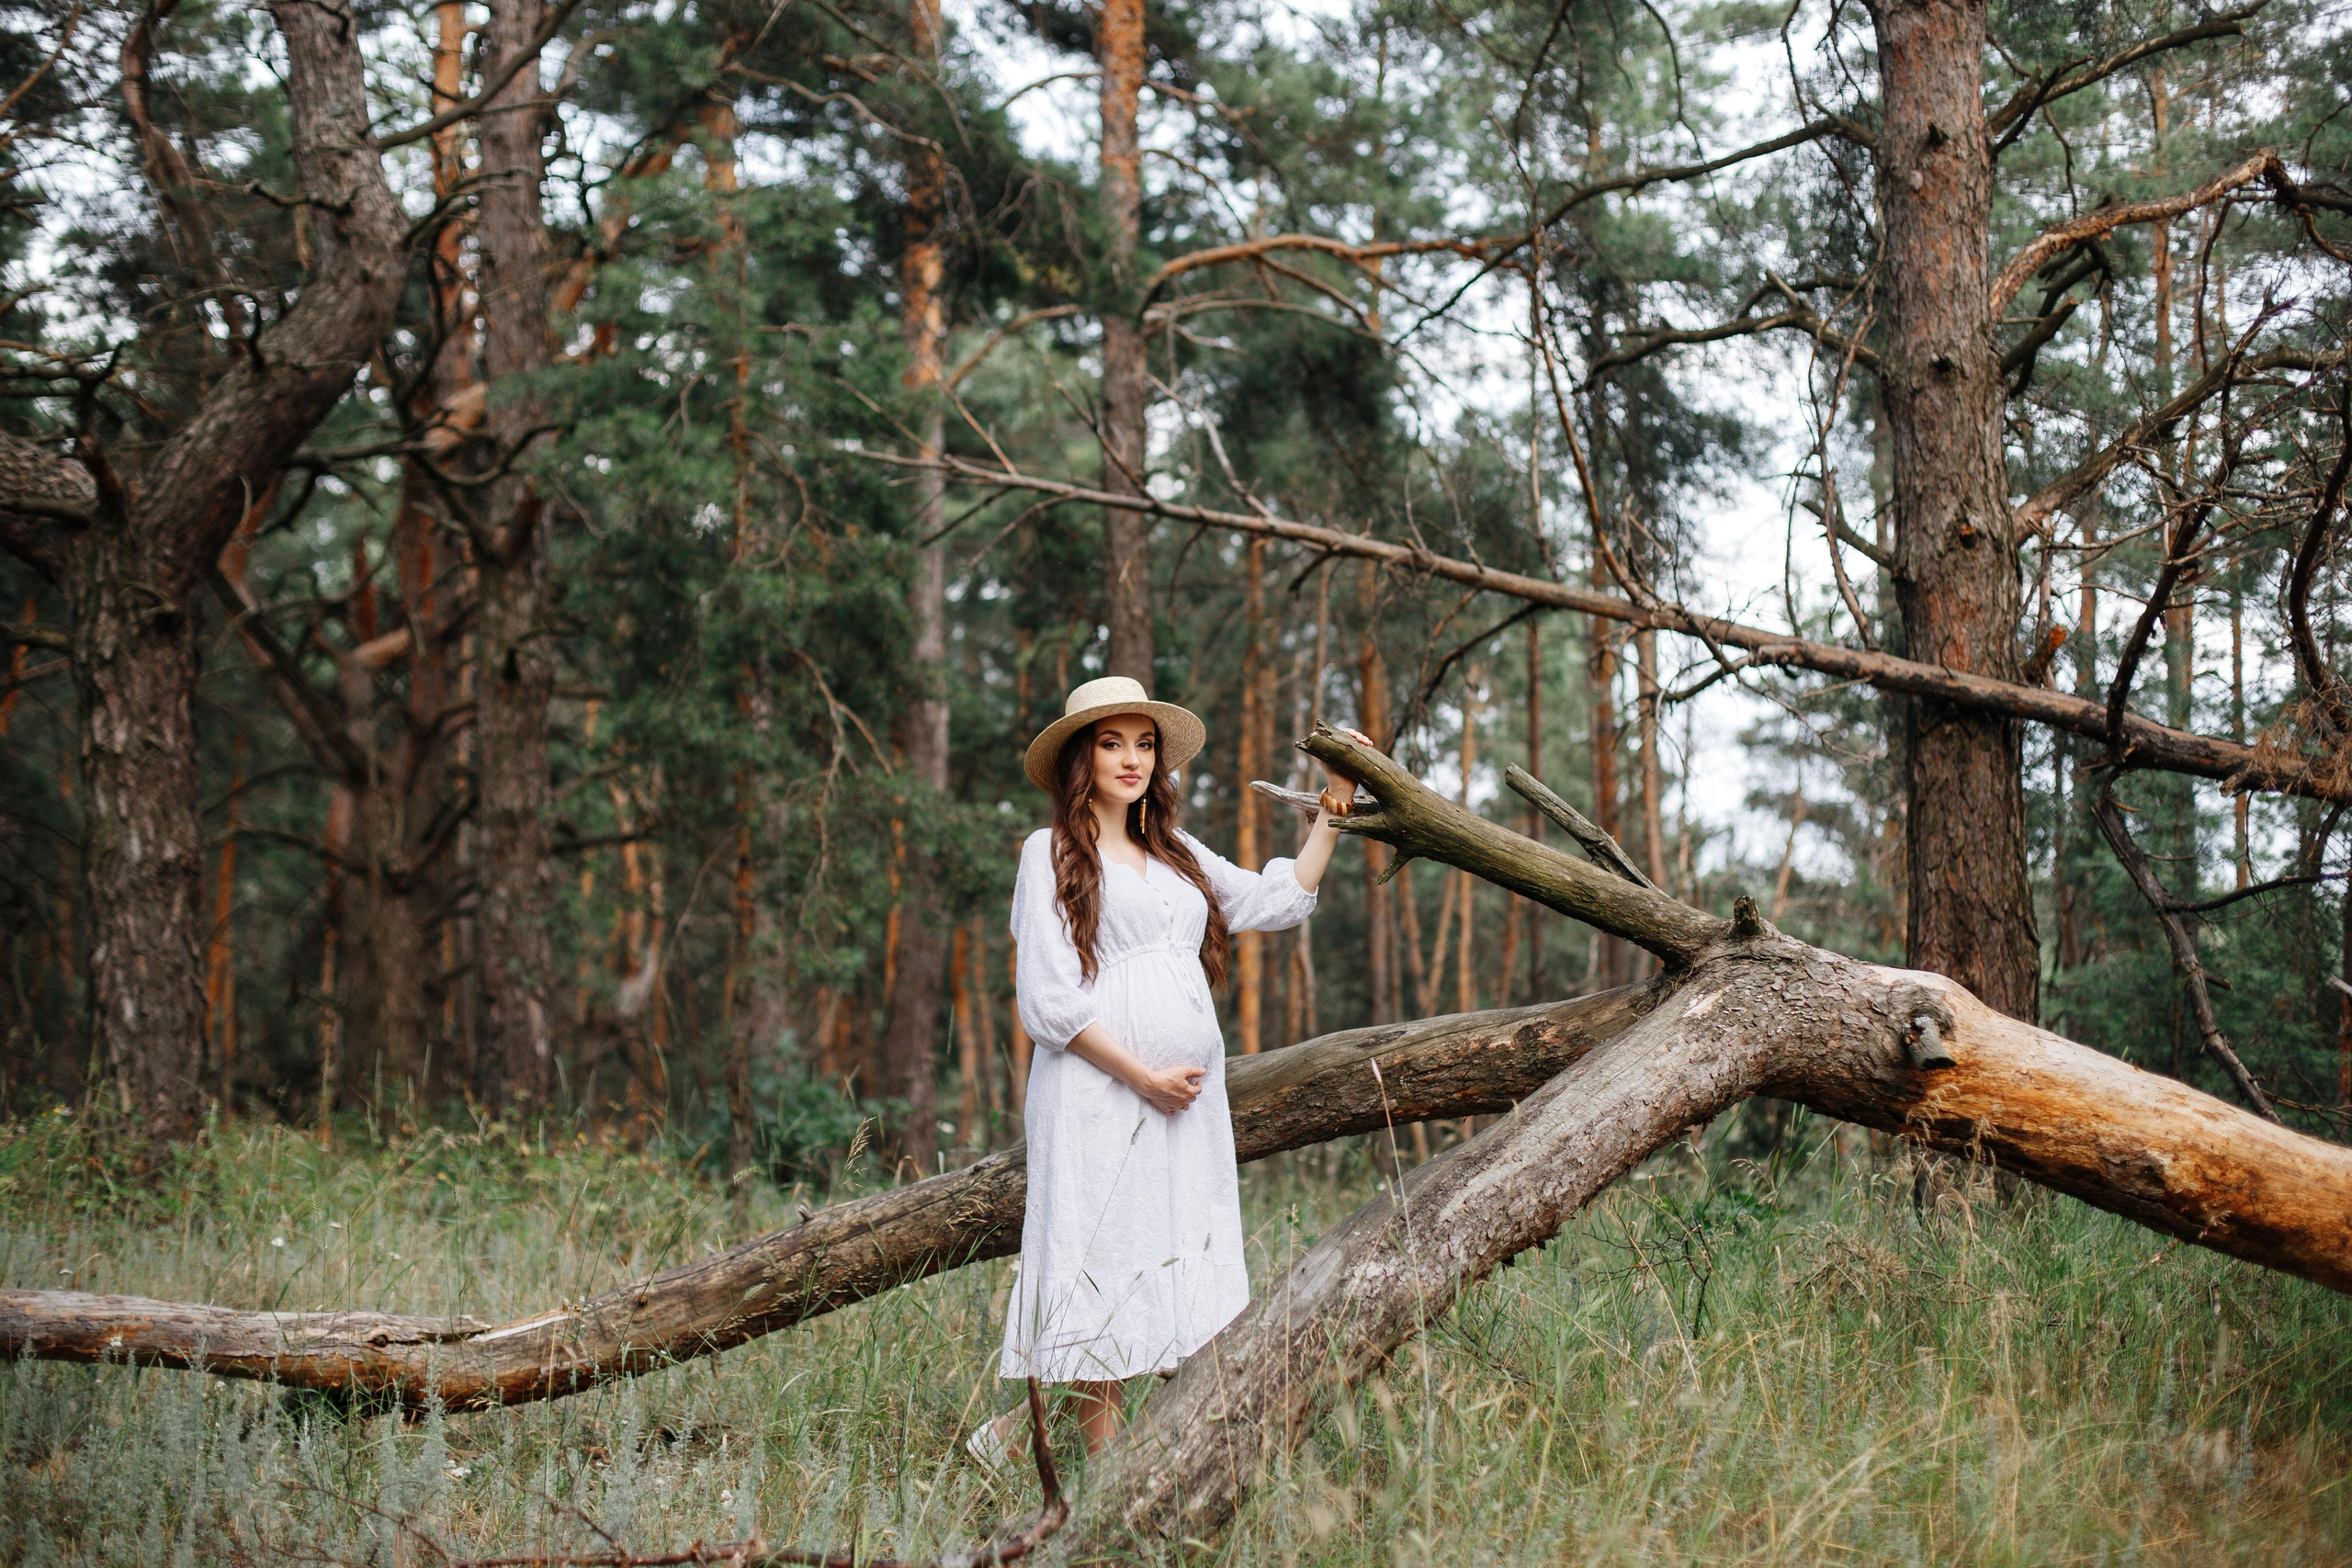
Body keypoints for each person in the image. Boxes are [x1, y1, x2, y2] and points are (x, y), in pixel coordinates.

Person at [967, 675, 1365, 1466]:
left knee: (1168, 1259)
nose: (1132, 759)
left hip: (1184, 1106)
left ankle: (1013, 1438)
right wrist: (1140, 1074)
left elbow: (1269, 900)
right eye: (1112, 742)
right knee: (1101, 1263)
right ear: (1082, 756)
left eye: (1144, 743)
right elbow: (1047, 999)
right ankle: (1109, 1485)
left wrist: (1331, 815)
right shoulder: (1046, 853)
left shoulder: (1173, 854)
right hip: (1094, 1093)